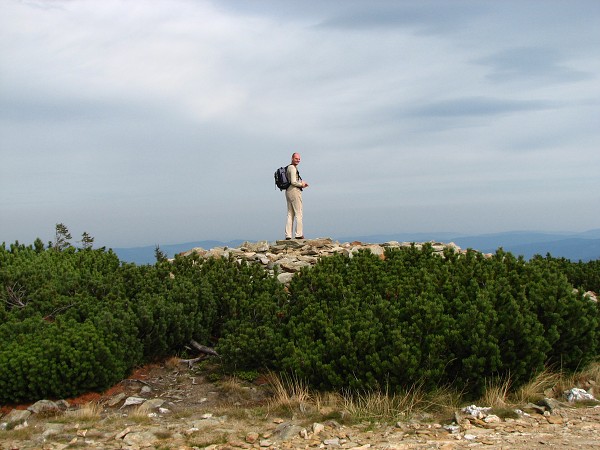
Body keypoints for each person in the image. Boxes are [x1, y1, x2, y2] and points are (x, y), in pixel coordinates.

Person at [285, 152, 309, 240]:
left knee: (290, 213)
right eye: (296, 158)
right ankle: (299, 234)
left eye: (299, 159)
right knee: (298, 212)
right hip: (294, 191)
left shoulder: (288, 168)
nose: (298, 160)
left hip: (288, 191)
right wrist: (302, 184)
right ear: (292, 158)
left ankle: (288, 235)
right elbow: (293, 182)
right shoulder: (293, 168)